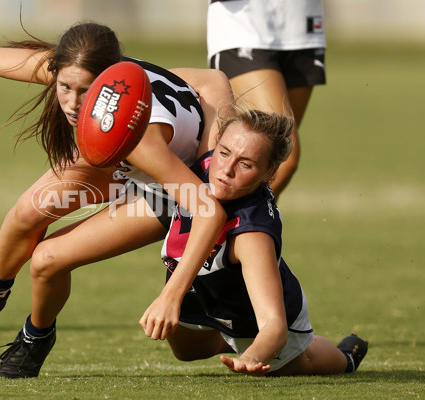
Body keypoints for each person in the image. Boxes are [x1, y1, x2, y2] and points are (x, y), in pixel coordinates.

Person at [0, 22, 234, 378]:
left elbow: (207, 209)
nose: (72, 101)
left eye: (85, 91)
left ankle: (35, 337)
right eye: (64, 87)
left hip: (169, 193)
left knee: (50, 261)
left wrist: (171, 296)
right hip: (126, 162)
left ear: (107, 79)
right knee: (28, 211)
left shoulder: (142, 138)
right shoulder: (87, 67)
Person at [139, 105, 368, 376]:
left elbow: (274, 326)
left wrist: (251, 356)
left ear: (270, 173)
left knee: (301, 362)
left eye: (246, 164)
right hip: (203, 292)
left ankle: (346, 357)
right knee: (186, 352)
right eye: (224, 153)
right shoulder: (203, 164)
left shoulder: (251, 234)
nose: (226, 169)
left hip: (253, 320)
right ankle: (228, 337)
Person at [207, 0, 327, 199]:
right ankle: (215, 226)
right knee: (283, 161)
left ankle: (249, 228)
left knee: (270, 163)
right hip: (244, 24)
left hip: (303, 25)